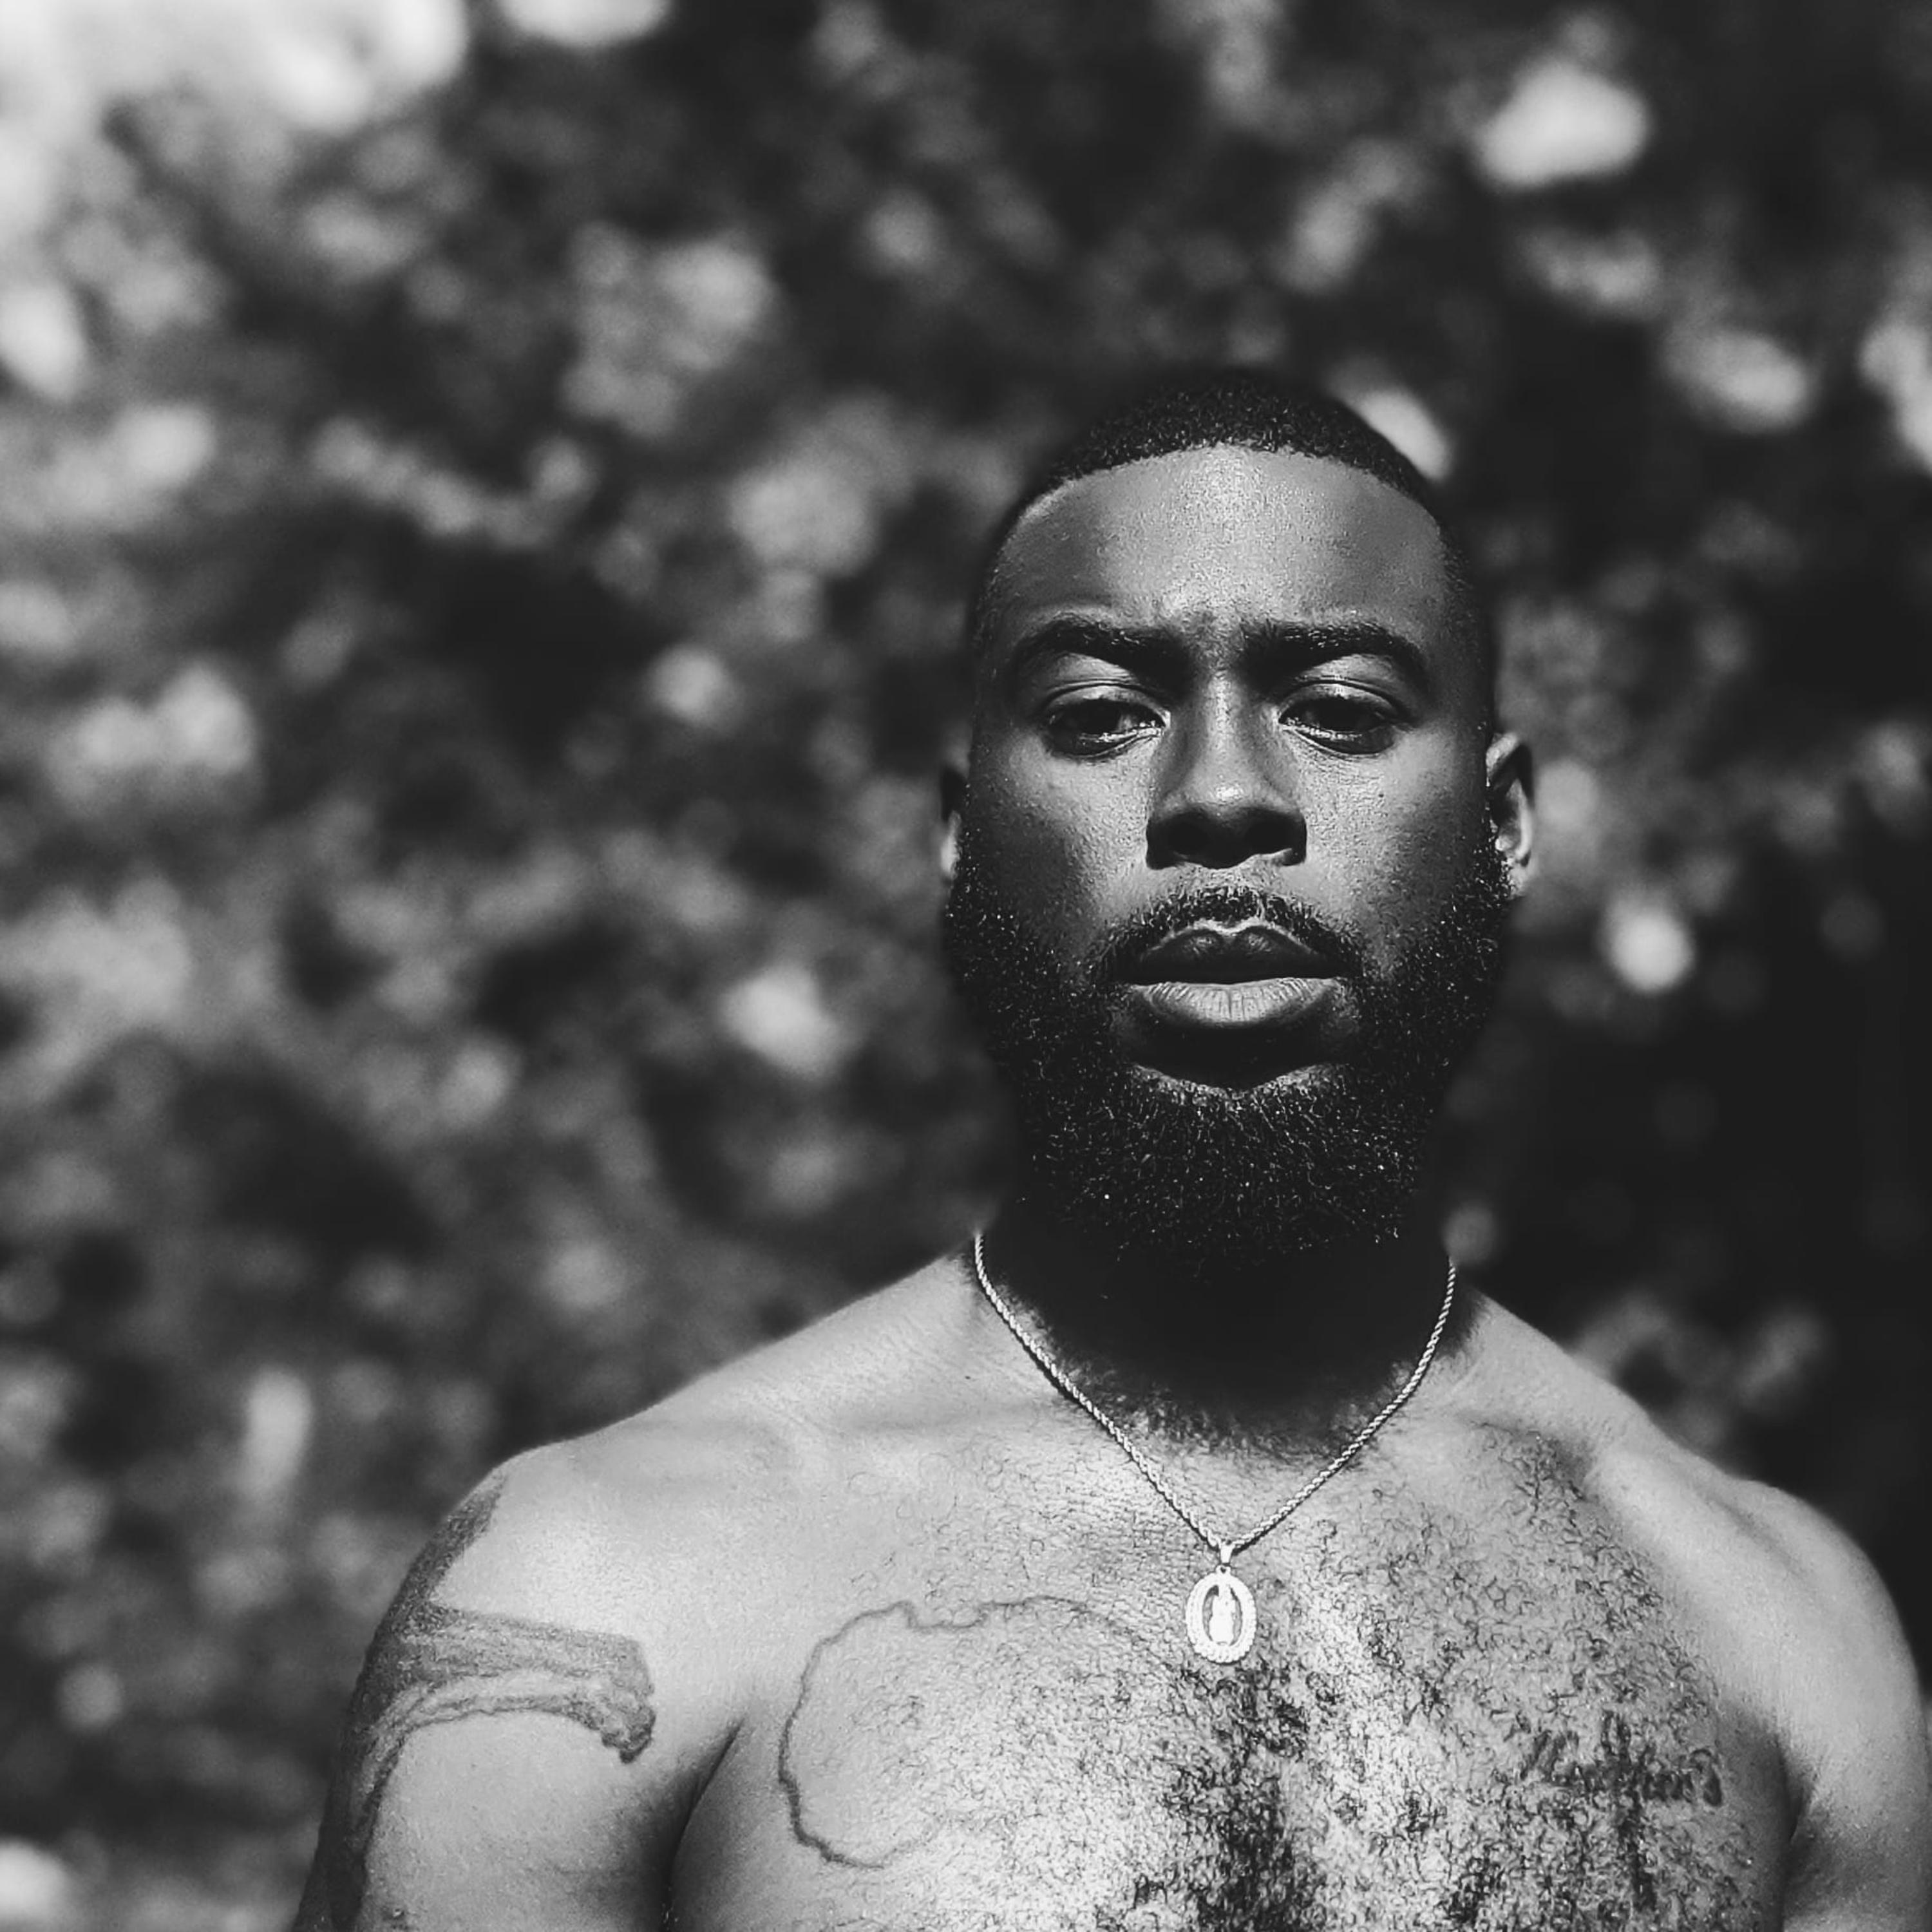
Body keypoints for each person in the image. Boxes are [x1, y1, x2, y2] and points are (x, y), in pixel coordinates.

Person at [291, 369, 1932, 1931]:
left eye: (1341, 710)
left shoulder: (1777, 1640)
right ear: (961, 832)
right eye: (1097, 713)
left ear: (1502, 823)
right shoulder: (598, 1605)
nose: (1219, 795)